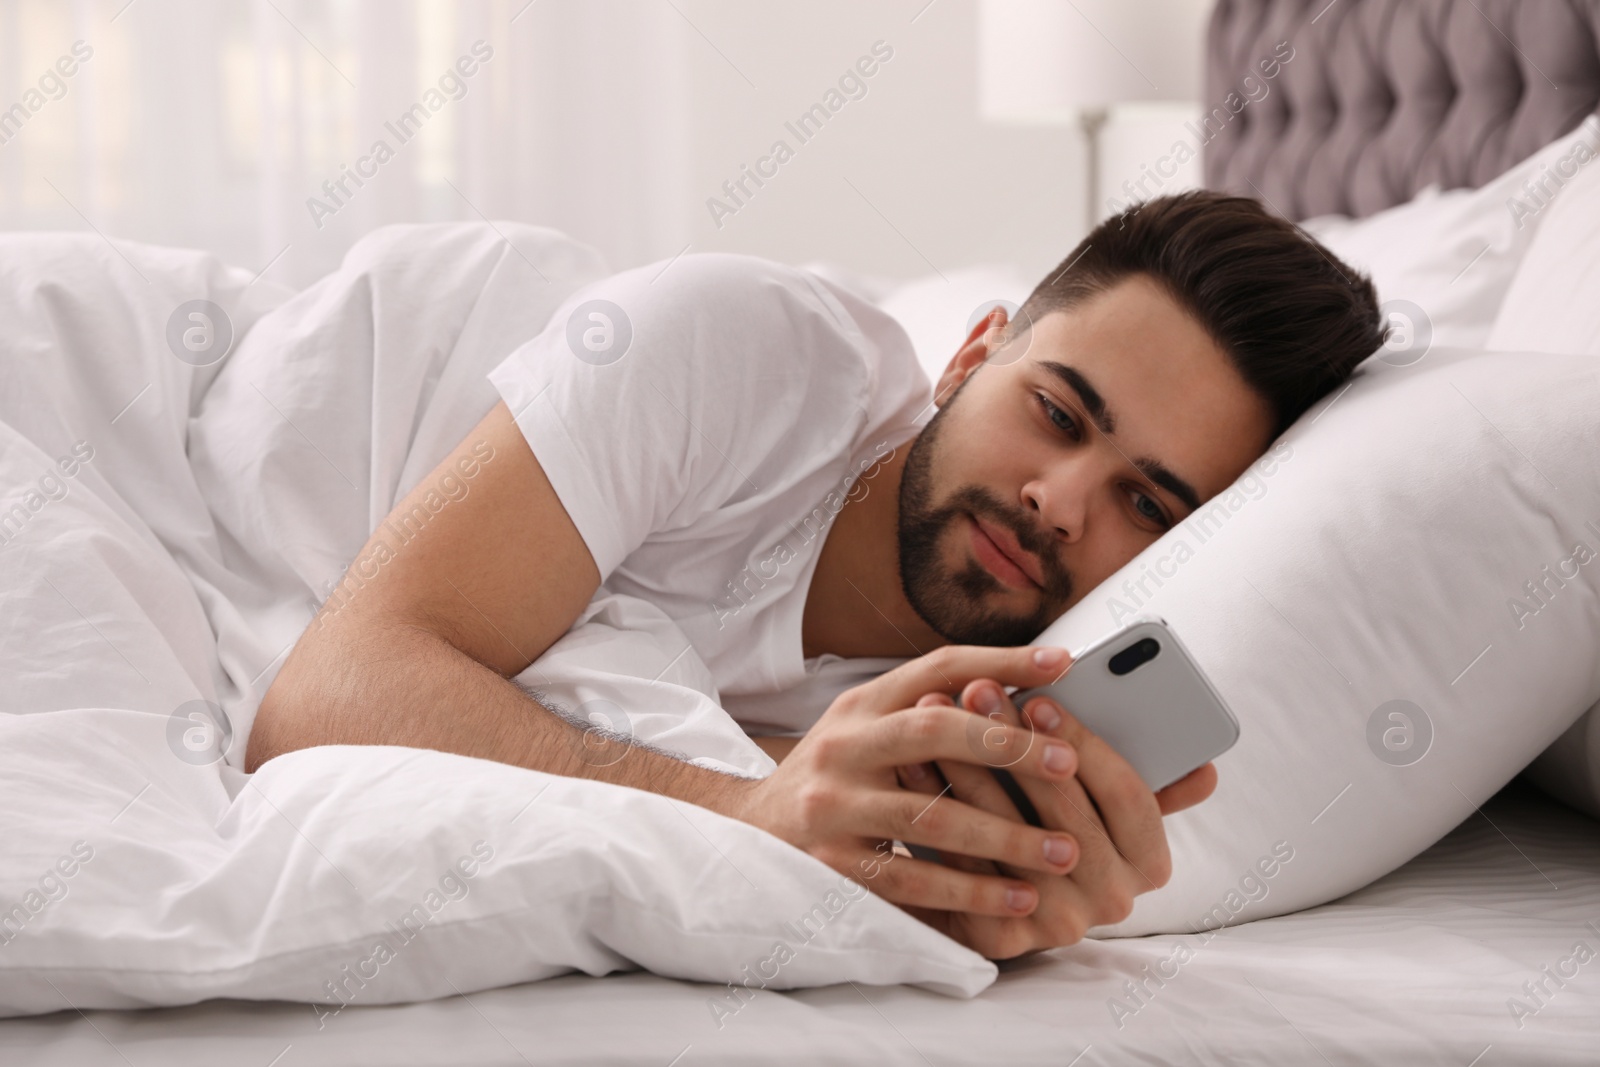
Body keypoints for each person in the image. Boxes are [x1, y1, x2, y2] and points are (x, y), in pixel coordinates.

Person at [246, 191, 1382, 959]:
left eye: (1146, 501)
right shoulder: (738, 345)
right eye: (1055, 412)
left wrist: (999, 898)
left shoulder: (970, 722)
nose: (1059, 502)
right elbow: (322, 696)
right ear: (970, 354)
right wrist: (742, 809)